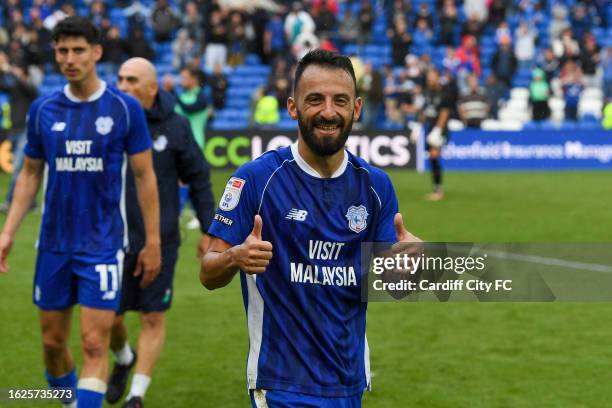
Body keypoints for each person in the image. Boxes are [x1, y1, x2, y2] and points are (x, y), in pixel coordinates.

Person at [200, 49, 421, 407]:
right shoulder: (256, 179)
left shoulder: (376, 187)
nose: (328, 112)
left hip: (348, 381)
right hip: (280, 383)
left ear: (357, 108)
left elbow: (393, 283)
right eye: (315, 100)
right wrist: (234, 258)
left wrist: (413, 264)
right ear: (293, 106)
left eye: (340, 100)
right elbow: (208, 272)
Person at [0, 17, 161, 408]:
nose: (70, 59)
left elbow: (144, 177)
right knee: (53, 343)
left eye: (78, 50)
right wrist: (7, 232)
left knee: (93, 343)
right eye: (62, 51)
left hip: (103, 245)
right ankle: (72, 400)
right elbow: (30, 175)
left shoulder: (124, 109)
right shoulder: (43, 110)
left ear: (96, 53)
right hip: (53, 244)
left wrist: (153, 240)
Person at [106, 57, 215, 408]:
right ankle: (123, 358)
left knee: (153, 317)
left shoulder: (175, 127)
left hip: (160, 239)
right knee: (109, 319)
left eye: (132, 80)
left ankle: (136, 395)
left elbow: (199, 177)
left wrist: (208, 229)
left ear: (152, 88)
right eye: (120, 79)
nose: (123, 86)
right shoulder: (107, 122)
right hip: (109, 239)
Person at [418, 68, 455, 201]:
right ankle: (436, 188)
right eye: (428, 77)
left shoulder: (445, 93)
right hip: (430, 128)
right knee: (432, 158)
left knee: (434, 155)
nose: (430, 79)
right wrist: (418, 127)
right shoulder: (427, 93)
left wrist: (438, 130)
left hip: (440, 129)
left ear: (438, 77)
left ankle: (438, 191)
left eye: (432, 77)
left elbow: (445, 112)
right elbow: (424, 111)